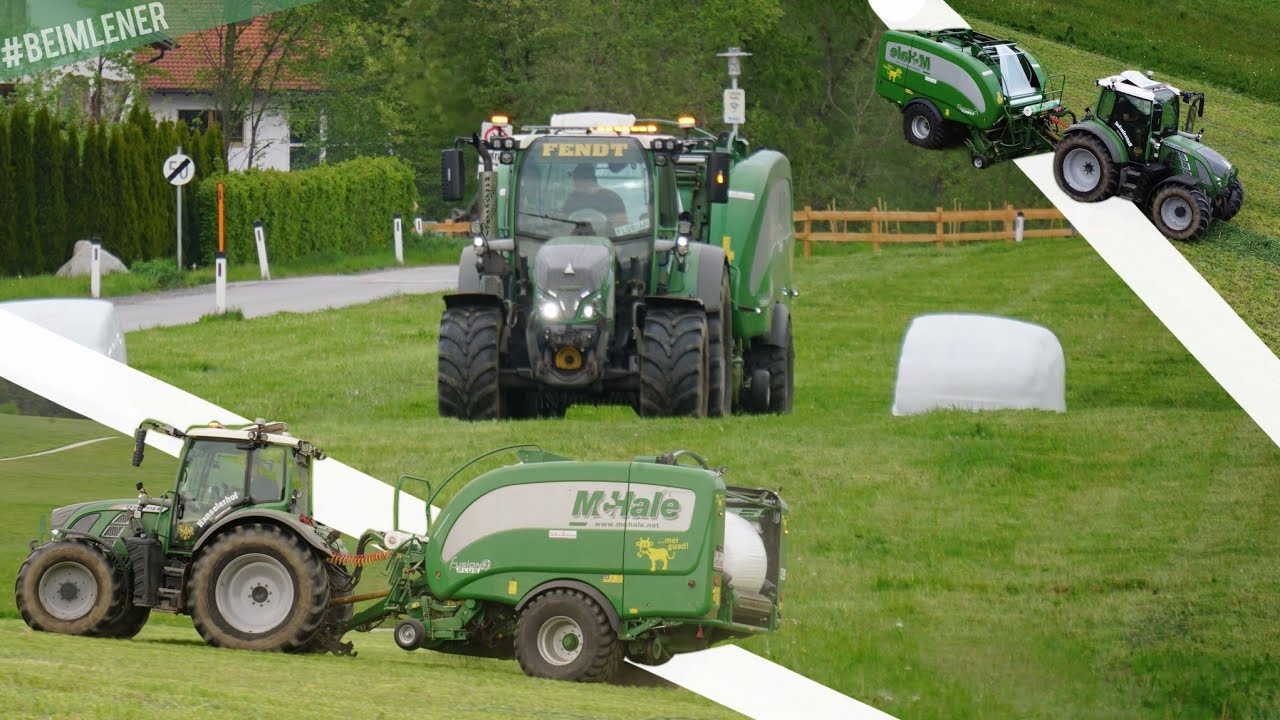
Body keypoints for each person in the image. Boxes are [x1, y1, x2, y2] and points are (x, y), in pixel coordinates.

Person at [562, 164, 627, 233]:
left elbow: (621, 223)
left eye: (577, 181)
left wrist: (612, 222)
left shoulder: (612, 198)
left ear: (589, 180)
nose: (575, 185)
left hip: (608, 237)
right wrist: (560, 217)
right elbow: (564, 217)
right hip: (576, 236)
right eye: (575, 181)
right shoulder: (573, 198)